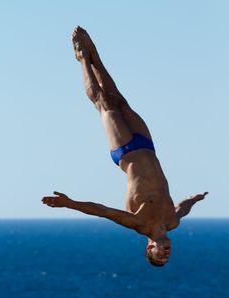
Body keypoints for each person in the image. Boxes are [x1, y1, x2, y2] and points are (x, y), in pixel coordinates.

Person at [42, 26, 208, 267]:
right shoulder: (172, 221)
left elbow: (103, 211)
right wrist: (195, 199)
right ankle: (95, 55)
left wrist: (71, 203)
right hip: (147, 146)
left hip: (126, 152)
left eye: (160, 254)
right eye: (167, 256)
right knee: (119, 99)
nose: (166, 253)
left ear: (149, 246)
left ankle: (82, 58)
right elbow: (182, 208)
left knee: (103, 103)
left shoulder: (139, 224)